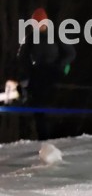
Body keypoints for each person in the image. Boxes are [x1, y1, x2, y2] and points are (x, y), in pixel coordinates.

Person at [16, 8, 76, 140]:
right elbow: (22, 56)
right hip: (38, 71)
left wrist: (61, 64)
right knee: (37, 98)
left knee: (41, 85)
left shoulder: (55, 34)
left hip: (55, 69)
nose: (38, 27)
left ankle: (28, 92)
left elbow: (71, 53)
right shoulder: (31, 38)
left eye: (40, 24)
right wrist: (28, 70)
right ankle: (42, 132)